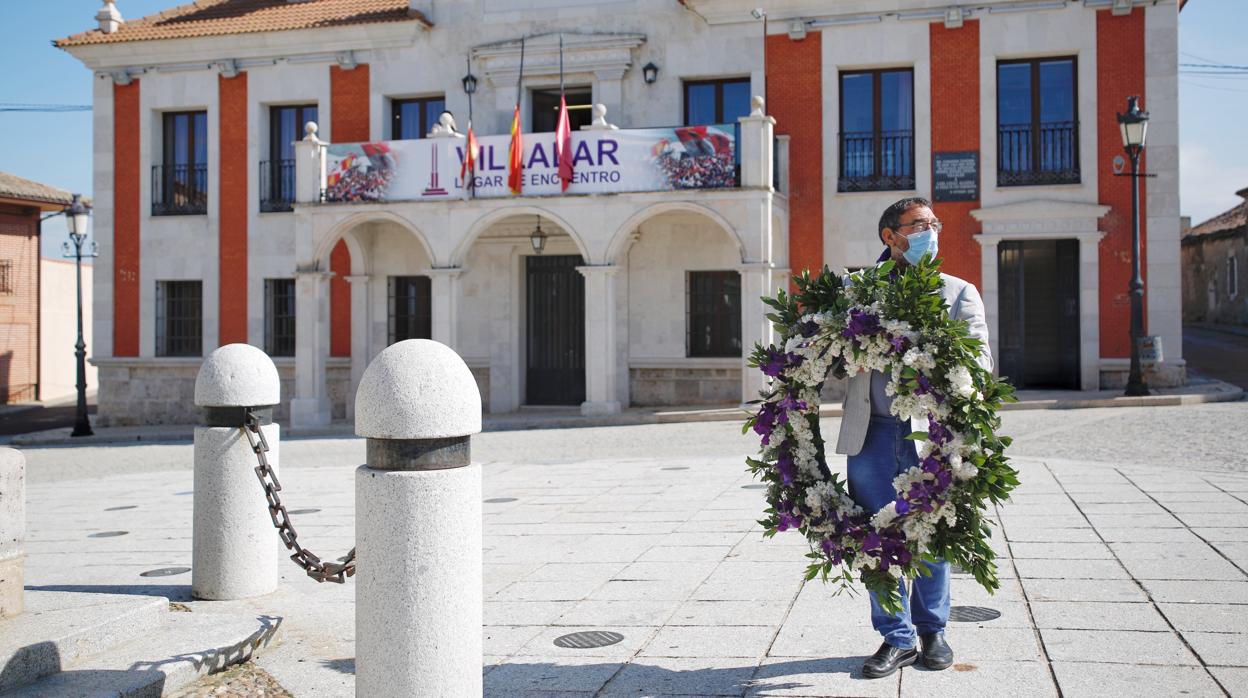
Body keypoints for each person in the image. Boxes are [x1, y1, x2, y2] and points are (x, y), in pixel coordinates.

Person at [835, 196, 993, 679]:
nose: (932, 232)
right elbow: (828, 359)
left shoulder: (958, 292)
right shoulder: (856, 290)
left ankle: (932, 631)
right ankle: (895, 638)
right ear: (891, 236)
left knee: (933, 534)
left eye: (934, 224)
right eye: (920, 225)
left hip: (931, 436)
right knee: (872, 536)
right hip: (872, 433)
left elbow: (981, 367)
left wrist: (933, 361)